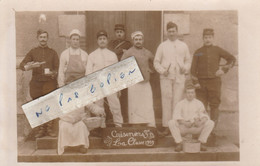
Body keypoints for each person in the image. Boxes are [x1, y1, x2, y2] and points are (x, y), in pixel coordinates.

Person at [190, 28, 236, 124]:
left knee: (214, 105)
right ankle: (202, 128)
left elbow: (232, 59)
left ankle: (213, 129)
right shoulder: (198, 51)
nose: (208, 39)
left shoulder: (217, 50)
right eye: (205, 37)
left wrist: (223, 70)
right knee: (201, 105)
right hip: (201, 84)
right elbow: (193, 69)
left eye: (210, 37)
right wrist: (196, 82)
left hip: (214, 83)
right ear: (203, 38)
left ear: (213, 38)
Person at [19, 29, 59, 138]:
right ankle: (41, 129)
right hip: (36, 84)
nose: (43, 39)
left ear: (47, 38)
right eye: (41, 37)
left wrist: (53, 73)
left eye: (45, 37)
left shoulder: (53, 52)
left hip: (49, 83)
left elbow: (57, 68)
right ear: (38, 38)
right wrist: (30, 66)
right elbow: (22, 65)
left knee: (49, 105)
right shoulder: (33, 52)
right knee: (39, 106)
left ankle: (49, 128)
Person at [154, 22, 191, 136]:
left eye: (173, 31)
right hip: (166, 77)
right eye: (169, 31)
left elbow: (188, 60)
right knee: (166, 101)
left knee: (177, 101)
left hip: (179, 78)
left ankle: (177, 126)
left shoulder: (183, 45)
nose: (171, 33)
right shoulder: (162, 46)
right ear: (166, 32)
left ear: (177, 31)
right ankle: (167, 126)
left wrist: (185, 68)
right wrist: (162, 70)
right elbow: (156, 62)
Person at [57, 29, 90, 154]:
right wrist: (61, 87)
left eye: (77, 39)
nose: (75, 41)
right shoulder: (64, 54)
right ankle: (66, 144)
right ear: (70, 40)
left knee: (79, 116)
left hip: (80, 88)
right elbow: (61, 72)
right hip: (68, 88)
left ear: (79, 41)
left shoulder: (85, 55)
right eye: (73, 39)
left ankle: (81, 144)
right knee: (67, 116)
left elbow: (87, 73)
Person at [85, 30, 123, 128]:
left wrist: (118, 88)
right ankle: (102, 127)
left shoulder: (112, 55)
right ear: (97, 41)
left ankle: (119, 126)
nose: (102, 41)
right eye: (100, 39)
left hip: (110, 84)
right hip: (97, 85)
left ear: (107, 40)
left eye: (104, 39)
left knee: (115, 106)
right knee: (99, 106)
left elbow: (116, 72)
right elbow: (88, 73)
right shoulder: (92, 55)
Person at [121, 31, 156, 127]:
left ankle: (149, 124)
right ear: (133, 41)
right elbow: (121, 66)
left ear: (143, 40)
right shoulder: (128, 53)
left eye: (140, 39)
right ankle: (135, 126)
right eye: (136, 40)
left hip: (145, 82)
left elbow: (156, 63)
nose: (138, 41)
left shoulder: (147, 52)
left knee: (147, 103)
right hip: (134, 83)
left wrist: (151, 69)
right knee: (134, 105)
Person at [168, 82, 215, 152]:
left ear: (194, 93)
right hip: (183, 127)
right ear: (185, 94)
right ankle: (179, 143)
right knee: (171, 122)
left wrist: (200, 122)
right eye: (188, 93)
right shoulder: (180, 103)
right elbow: (176, 116)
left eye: (192, 93)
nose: (190, 95)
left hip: (195, 127)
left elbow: (204, 116)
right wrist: (184, 123)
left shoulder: (199, 103)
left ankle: (201, 142)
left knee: (210, 123)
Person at [108, 24, 132, 124]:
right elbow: (109, 53)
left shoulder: (128, 44)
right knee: (112, 95)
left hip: (124, 72)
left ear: (124, 33)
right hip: (113, 72)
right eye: (117, 32)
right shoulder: (111, 43)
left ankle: (125, 117)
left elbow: (130, 54)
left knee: (124, 95)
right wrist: (121, 51)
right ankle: (111, 117)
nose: (119, 34)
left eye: (121, 32)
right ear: (115, 33)